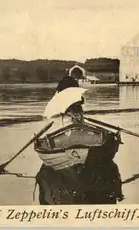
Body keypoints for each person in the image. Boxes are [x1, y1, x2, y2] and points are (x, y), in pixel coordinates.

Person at [35, 76, 124, 205]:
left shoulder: (64, 105)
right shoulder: (59, 109)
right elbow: (64, 125)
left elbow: (76, 124)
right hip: (72, 139)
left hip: (69, 141)